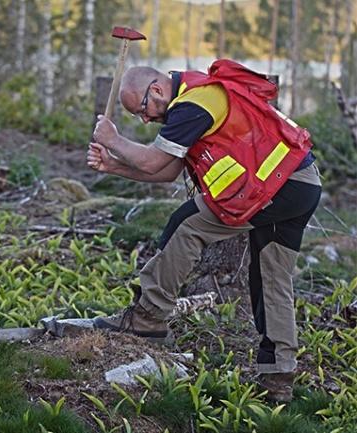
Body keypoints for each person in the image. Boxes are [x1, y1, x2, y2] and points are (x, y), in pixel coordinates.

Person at [87, 60, 321, 402]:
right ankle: (278, 376)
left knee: (186, 225)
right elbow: (166, 172)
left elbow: (152, 161)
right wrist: (114, 165)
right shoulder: (195, 102)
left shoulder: (194, 103)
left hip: (275, 187)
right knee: (271, 277)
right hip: (300, 183)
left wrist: (113, 139)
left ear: (155, 90)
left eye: (143, 110)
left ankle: (148, 316)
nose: (146, 119)